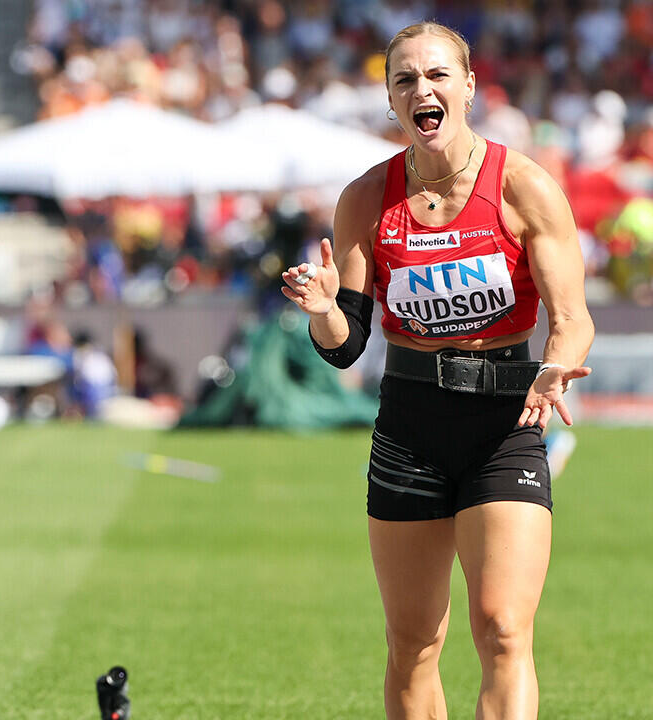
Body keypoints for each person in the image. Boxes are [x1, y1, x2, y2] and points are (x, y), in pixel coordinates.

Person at [281, 21, 594, 720]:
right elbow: (344, 344)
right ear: (391, 101)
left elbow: (573, 317)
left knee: (505, 630)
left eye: (437, 75)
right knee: (414, 642)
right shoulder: (366, 198)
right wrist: (325, 310)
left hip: (507, 422)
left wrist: (559, 365)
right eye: (405, 80)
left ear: (469, 87)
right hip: (411, 428)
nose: (422, 89)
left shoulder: (524, 187)